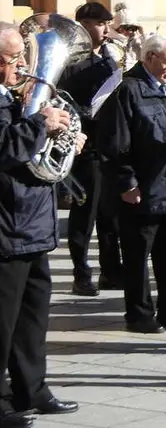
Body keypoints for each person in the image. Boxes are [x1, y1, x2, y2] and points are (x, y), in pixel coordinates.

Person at [0, 22, 80, 426]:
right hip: (5, 228)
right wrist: (40, 125)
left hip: (31, 224)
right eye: (14, 58)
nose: (22, 65)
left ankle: (32, 389)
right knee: (3, 323)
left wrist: (64, 140)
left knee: (32, 319)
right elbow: (5, 149)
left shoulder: (14, 97)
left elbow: (35, 160)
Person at [98, 36, 166, 334]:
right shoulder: (128, 91)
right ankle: (139, 314)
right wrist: (126, 182)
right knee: (137, 257)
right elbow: (115, 143)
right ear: (150, 58)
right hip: (142, 190)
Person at [59, 2, 124, 297]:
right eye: (100, 23)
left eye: (106, 23)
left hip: (109, 142)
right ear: (84, 25)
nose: (105, 29)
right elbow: (63, 97)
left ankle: (111, 271)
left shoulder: (109, 55)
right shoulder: (69, 61)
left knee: (110, 213)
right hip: (86, 143)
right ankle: (81, 273)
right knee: (86, 212)